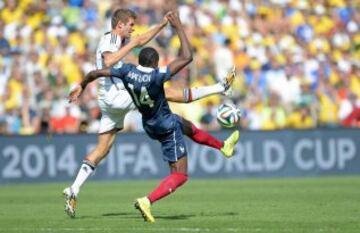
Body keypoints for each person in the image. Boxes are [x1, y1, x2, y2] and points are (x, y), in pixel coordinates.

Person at [63, 9, 236, 218]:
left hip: (107, 99)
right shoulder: (109, 41)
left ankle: (74, 189)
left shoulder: (121, 41)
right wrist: (133, 44)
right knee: (164, 92)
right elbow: (109, 61)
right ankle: (219, 88)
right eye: (130, 25)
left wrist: (163, 23)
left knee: (103, 148)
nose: (133, 29)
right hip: (116, 95)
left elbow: (139, 41)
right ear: (119, 25)